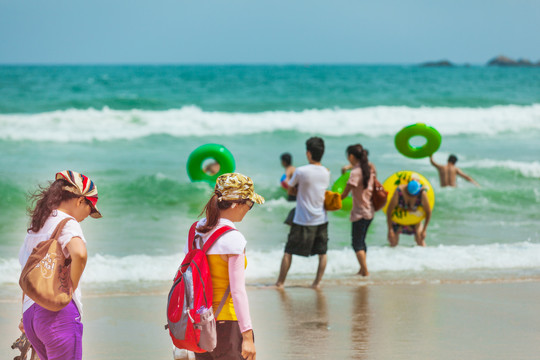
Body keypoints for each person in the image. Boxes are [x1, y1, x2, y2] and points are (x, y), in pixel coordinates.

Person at [19, 170, 102, 360]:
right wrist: (68, 289)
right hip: (57, 314)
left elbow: (28, 275)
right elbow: (79, 254)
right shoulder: (68, 222)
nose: (88, 215)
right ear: (80, 200)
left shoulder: (37, 226)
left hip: (31, 315)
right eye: (90, 208)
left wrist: (22, 318)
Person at [187, 173, 263, 360]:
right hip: (227, 323)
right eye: (250, 204)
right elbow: (237, 292)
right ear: (236, 204)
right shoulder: (233, 238)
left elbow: (190, 280)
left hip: (199, 322)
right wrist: (247, 336)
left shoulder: (195, 231)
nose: (249, 209)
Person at [276, 137, 330, 289]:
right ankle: (316, 283)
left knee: (288, 251)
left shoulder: (301, 171)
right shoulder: (326, 172)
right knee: (322, 252)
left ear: (308, 153)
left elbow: (290, 188)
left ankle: (280, 283)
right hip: (321, 217)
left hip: (302, 218)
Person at [340, 144, 376, 277]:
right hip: (370, 211)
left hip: (360, 213)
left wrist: (327, 200)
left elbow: (344, 194)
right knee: (362, 241)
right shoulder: (369, 169)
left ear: (351, 156)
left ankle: (365, 271)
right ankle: (362, 269)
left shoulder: (355, 173)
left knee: (357, 244)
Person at [386, 179, 431, 247]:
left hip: (415, 221)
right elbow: (389, 211)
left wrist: (424, 230)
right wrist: (390, 230)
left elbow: (428, 212)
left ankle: (425, 256)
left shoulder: (422, 193)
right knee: (393, 242)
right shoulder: (399, 192)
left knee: (420, 240)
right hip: (398, 221)